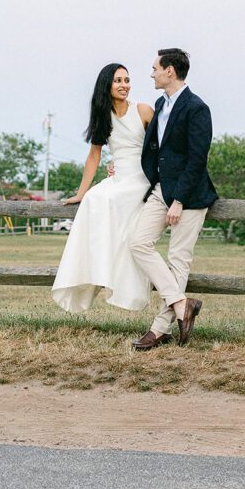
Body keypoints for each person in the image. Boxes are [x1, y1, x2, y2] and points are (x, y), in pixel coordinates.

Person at [129, 48, 218, 349]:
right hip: (160, 190)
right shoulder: (159, 103)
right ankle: (183, 306)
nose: (151, 73)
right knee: (138, 242)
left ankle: (158, 329)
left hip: (190, 196)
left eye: (155, 68)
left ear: (170, 71)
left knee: (179, 261)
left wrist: (179, 199)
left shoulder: (197, 108)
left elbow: (197, 159)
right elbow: (154, 148)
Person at [51, 63, 154, 312]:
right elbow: (93, 156)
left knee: (111, 200)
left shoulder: (143, 110)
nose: (124, 85)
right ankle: (96, 269)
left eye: (127, 80)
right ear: (107, 85)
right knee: (94, 198)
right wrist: (81, 191)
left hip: (140, 177)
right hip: (118, 176)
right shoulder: (103, 116)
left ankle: (116, 274)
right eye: (118, 80)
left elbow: (158, 148)